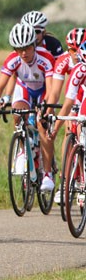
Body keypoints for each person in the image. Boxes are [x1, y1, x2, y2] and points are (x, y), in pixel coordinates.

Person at [0, 23, 56, 192]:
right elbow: (0, 85)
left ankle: (47, 174)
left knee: (42, 125)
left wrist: (45, 107)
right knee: (17, 113)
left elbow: (51, 87)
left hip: (43, 91)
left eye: (26, 48)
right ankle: (23, 150)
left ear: (34, 45)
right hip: (24, 89)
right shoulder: (13, 59)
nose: (23, 53)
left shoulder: (45, 58)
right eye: (18, 49)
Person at [46, 28, 86, 204]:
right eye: (72, 49)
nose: (75, 53)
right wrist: (53, 121)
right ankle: (65, 179)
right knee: (71, 129)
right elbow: (57, 94)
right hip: (76, 97)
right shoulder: (67, 64)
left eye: (79, 48)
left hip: (82, 96)